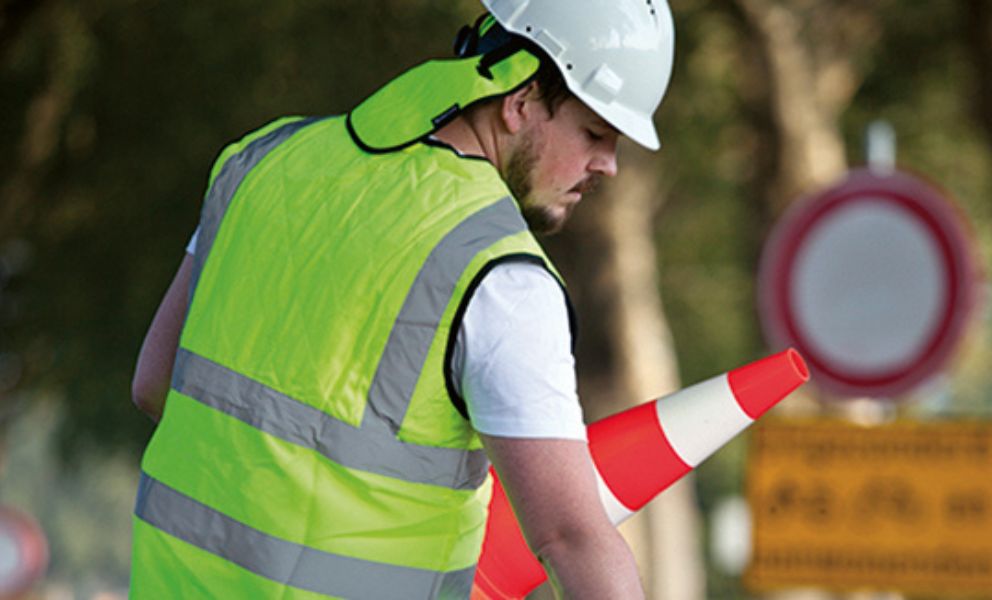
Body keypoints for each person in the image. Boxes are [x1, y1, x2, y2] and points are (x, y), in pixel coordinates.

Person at [127, 1, 674, 598]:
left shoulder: (262, 161)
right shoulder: (500, 274)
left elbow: (155, 383)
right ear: (519, 100)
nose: (609, 167)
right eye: (595, 133)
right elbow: (571, 537)